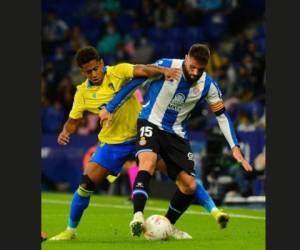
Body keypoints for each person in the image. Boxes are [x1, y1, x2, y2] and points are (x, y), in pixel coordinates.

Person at [99, 44, 253, 239]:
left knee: (189, 185)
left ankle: (167, 226)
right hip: (151, 121)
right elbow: (135, 82)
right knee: (148, 162)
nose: (196, 72)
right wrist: (110, 107)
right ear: (186, 58)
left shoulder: (208, 85)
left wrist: (234, 146)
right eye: (192, 67)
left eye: (201, 69)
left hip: (177, 134)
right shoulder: (166, 66)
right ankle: (137, 215)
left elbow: (221, 116)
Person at [49, 46, 181, 240]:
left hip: (140, 136)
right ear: (82, 72)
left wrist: (164, 71)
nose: (93, 74)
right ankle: (70, 230)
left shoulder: (118, 72)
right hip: (113, 143)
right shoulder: (82, 93)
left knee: (178, 173)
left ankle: (185, 215)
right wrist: (65, 132)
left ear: (101, 63)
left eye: (95, 68)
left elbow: (143, 70)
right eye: (88, 71)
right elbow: (73, 120)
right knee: (85, 185)